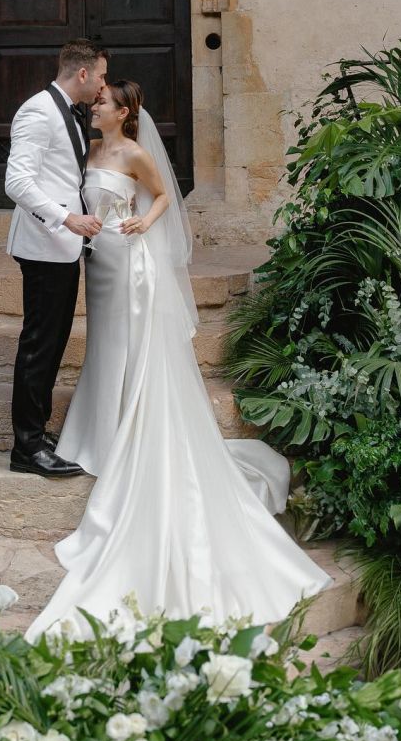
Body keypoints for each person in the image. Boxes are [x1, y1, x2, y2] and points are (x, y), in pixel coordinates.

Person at [30, 80, 332, 636]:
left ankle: (128, 426)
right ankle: (100, 427)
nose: (92, 106)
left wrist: (144, 221)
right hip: (95, 261)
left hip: (128, 261)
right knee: (103, 346)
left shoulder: (135, 152)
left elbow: (165, 195)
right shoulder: (89, 147)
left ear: (123, 112)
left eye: (101, 102)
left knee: (129, 347)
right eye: (92, 101)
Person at [4, 39, 108, 478]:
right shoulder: (37, 111)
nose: (103, 84)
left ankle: (35, 435)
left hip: (63, 249)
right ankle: (26, 448)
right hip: (45, 248)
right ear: (82, 74)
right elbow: (16, 182)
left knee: (52, 344)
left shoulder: (66, 110)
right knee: (39, 347)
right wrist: (66, 219)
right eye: (101, 75)